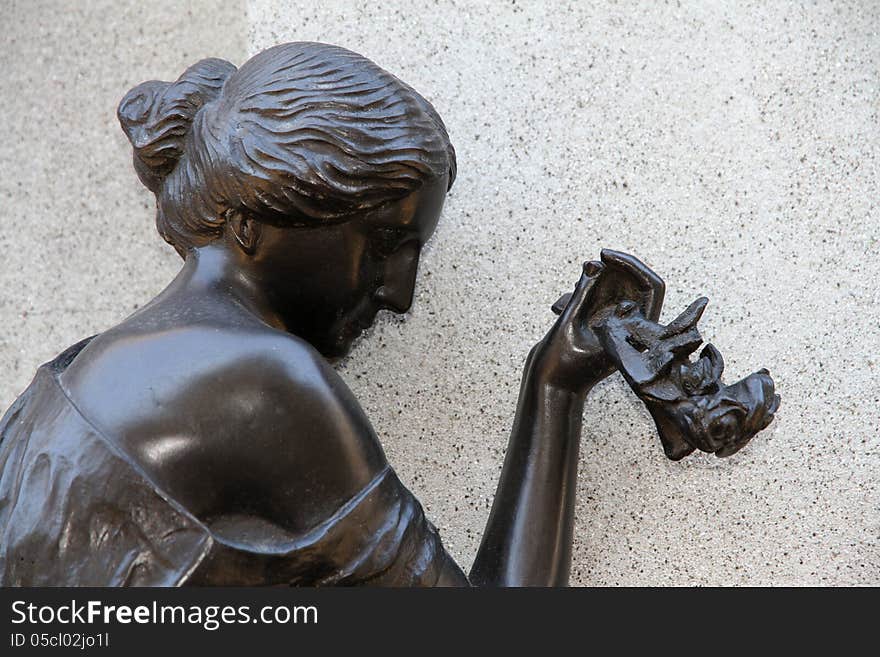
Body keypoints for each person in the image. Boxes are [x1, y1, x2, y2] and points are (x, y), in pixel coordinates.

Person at [0, 42, 663, 586]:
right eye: (382, 247)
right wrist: (554, 391)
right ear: (257, 219)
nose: (398, 293)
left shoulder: (70, 378)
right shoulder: (262, 382)